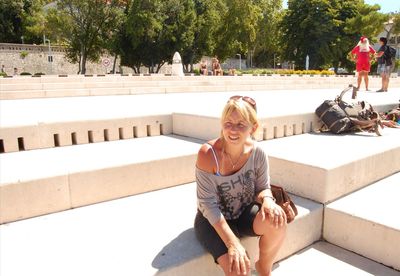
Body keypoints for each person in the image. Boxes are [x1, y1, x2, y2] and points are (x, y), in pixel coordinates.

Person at [194, 95, 287, 276]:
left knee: (278, 221)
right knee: (239, 270)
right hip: (211, 220)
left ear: (254, 127)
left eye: (241, 124)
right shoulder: (208, 154)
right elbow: (207, 205)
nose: (233, 130)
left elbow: (262, 187)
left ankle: (264, 268)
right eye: (228, 123)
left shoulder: (258, 153)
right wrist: (233, 243)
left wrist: (268, 200)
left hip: (243, 213)